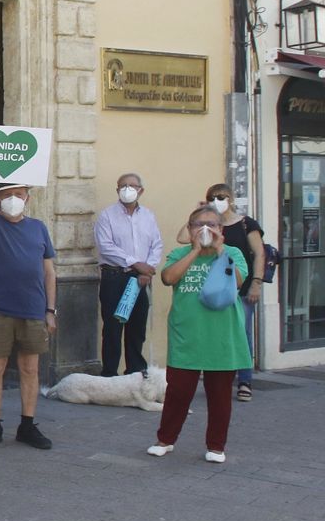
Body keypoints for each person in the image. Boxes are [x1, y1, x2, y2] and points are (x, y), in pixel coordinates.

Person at [148, 205, 249, 463]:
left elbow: (238, 280)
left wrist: (219, 251)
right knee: (178, 393)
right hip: (187, 335)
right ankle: (165, 440)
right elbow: (168, 278)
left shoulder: (233, 253)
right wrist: (194, 251)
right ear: (190, 229)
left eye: (212, 225)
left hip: (222, 336)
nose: (206, 229)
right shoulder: (179, 253)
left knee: (220, 395)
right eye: (199, 225)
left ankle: (216, 446)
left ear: (221, 230)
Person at [0, 181, 56, 450]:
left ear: (28, 198)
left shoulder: (39, 228)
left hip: (33, 308)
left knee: (30, 368)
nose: (13, 199)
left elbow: (49, 272)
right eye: (7, 195)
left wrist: (51, 310)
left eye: (18, 195)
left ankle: (27, 424)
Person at [191, 184, 264, 401]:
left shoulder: (245, 224)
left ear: (231, 198)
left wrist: (256, 284)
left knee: (242, 332)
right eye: (212, 197)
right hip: (213, 288)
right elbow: (183, 238)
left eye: (221, 197)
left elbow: (259, 253)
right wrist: (195, 213)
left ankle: (244, 380)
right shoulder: (210, 225)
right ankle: (216, 374)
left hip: (241, 287)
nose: (217, 200)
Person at [93, 172, 163, 377]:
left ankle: (135, 371)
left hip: (141, 279)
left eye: (132, 185)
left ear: (141, 190)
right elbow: (106, 247)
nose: (127, 189)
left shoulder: (148, 216)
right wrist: (136, 264)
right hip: (115, 277)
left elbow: (156, 245)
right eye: (123, 185)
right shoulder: (107, 216)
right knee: (113, 327)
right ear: (117, 190)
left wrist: (147, 269)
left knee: (137, 328)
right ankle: (109, 374)